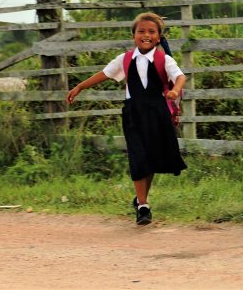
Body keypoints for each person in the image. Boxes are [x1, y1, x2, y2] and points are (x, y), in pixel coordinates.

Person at [67, 12, 187, 225]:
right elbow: (104, 73)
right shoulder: (125, 59)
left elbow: (180, 76)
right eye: (141, 31)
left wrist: (175, 91)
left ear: (159, 37)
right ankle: (143, 206)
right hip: (134, 114)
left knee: (151, 159)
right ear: (134, 35)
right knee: (138, 156)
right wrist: (80, 86)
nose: (146, 35)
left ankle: (142, 200)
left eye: (151, 31)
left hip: (157, 114)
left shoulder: (164, 59)